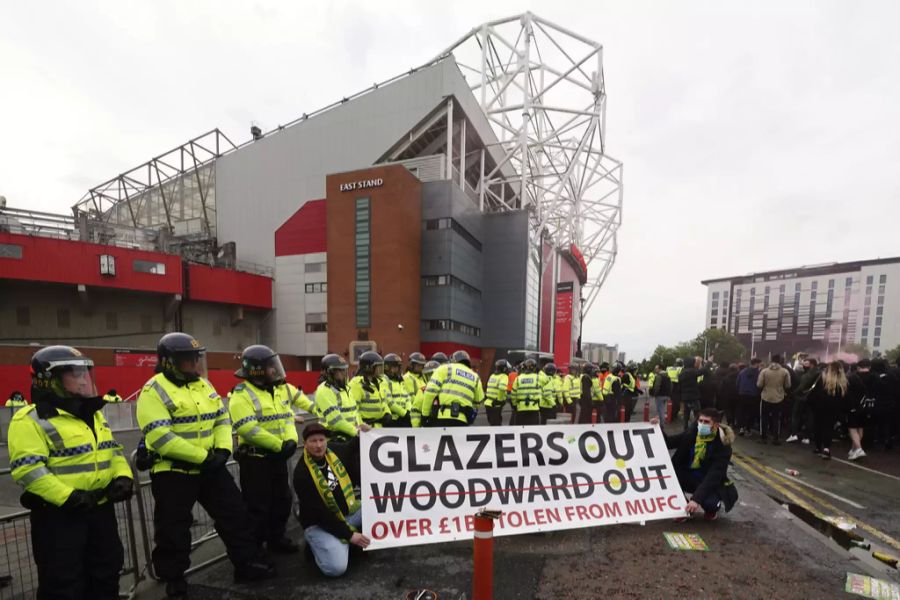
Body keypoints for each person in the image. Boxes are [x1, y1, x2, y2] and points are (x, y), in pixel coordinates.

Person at [136, 333, 274, 598]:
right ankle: (174, 579)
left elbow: (221, 419)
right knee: (173, 528)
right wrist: (204, 457)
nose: (196, 363)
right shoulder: (153, 391)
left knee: (236, 515)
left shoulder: (204, 385)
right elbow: (162, 438)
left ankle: (246, 564)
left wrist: (223, 449)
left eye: (196, 358)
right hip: (174, 471)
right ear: (169, 362)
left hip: (210, 467)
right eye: (189, 359)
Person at [9, 346, 133, 599]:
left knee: (107, 571)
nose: (84, 379)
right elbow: (29, 469)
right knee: (63, 583)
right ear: (50, 381)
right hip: (60, 517)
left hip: (99, 510)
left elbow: (113, 451)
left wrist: (123, 476)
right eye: (74, 374)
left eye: (85, 372)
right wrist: (69, 497)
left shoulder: (93, 415)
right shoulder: (29, 419)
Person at [228, 345, 301, 554]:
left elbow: (287, 417)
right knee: (258, 506)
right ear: (257, 370)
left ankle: (277, 538)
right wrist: (279, 445)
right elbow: (247, 428)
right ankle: (256, 549)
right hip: (256, 460)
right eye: (270, 366)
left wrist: (290, 440)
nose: (275, 370)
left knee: (282, 499)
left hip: (276, 458)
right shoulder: (241, 395)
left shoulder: (274, 391)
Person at [293, 423, 368, 577]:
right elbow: (321, 514)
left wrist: (363, 433)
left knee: (377, 507)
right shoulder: (302, 474)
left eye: (321, 440)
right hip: (320, 524)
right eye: (313, 441)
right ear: (305, 444)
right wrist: (349, 535)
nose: (318, 445)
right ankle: (316, 545)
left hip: (347, 514)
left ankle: (343, 542)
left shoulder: (333, 451)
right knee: (336, 568)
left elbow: (351, 446)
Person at [652, 408, 738, 520]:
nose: (702, 424)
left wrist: (696, 499)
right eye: (700, 421)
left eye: (706, 422)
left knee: (710, 504)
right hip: (688, 476)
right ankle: (682, 509)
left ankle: (710, 509)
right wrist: (658, 428)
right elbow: (669, 442)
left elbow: (714, 476)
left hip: (707, 481)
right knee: (665, 477)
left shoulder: (722, 446)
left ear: (716, 425)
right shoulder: (692, 433)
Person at [313, 354, 369, 449]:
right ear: (328, 373)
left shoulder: (346, 388)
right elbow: (336, 421)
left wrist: (360, 424)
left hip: (349, 438)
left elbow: (354, 411)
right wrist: (356, 431)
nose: (343, 373)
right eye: (339, 371)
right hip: (335, 440)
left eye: (344, 370)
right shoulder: (324, 391)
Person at [421, 351, 485, 427]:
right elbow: (478, 402)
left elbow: (430, 392)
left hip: (442, 417)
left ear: (453, 360)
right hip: (462, 420)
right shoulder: (475, 377)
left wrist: (425, 415)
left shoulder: (444, 368)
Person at [807, 361, 846, 459]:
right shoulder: (842, 382)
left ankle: (818, 446)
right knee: (828, 428)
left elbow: (814, 393)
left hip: (819, 407)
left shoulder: (822, 379)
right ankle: (827, 448)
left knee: (818, 426)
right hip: (834, 408)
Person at [349, 351, 392, 428]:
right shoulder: (356, 383)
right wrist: (360, 425)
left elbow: (383, 401)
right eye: (378, 367)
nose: (380, 370)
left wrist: (387, 412)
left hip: (378, 427)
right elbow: (353, 409)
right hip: (365, 429)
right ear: (368, 367)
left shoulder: (378, 382)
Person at [756, 354, 792, 445]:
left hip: (766, 397)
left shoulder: (764, 371)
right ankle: (776, 438)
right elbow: (788, 385)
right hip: (779, 397)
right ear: (780, 361)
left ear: (771, 360)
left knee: (764, 418)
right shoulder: (785, 371)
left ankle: (763, 437)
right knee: (776, 418)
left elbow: (759, 384)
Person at [786, 358, 819, 444]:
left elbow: (801, 387)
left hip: (802, 397)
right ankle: (807, 437)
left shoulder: (807, 375)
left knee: (795, 415)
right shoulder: (820, 373)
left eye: (806, 364)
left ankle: (794, 434)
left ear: (811, 364)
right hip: (813, 398)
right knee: (809, 417)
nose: (804, 366)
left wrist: (793, 393)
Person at [381, 353, 412, 427]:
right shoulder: (384, 380)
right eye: (394, 367)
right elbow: (389, 402)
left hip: (403, 418)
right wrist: (404, 413)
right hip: (392, 419)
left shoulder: (400, 380)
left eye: (398, 367)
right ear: (386, 367)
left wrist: (408, 410)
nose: (397, 369)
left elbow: (407, 397)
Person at [679, 356, 709, 427]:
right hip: (693, 397)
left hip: (685, 397)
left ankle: (685, 429)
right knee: (697, 414)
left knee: (686, 414)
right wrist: (709, 362)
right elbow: (703, 371)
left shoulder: (682, 372)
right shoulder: (691, 371)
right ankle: (696, 428)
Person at [511, 358, 542, 426]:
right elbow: (545, 388)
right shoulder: (538, 377)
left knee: (520, 430)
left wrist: (514, 405)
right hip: (534, 408)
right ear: (534, 368)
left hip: (521, 407)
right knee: (533, 430)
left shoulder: (518, 378)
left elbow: (513, 394)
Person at [736, 358, 762, 436]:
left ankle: (741, 428)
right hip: (753, 395)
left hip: (742, 394)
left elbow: (737, 383)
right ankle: (748, 429)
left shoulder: (742, 372)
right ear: (756, 364)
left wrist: (739, 391)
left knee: (742, 411)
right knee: (751, 413)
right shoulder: (758, 373)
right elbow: (760, 385)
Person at [410, 360, 440, 427]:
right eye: (428, 376)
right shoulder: (422, 391)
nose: (431, 378)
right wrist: (416, 429)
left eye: (433, 375)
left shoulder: (445, 390)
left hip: (444, 426)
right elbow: (415, 412)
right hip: (427, 426)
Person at [485, 360, 510, 426]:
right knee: (496, 426)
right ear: (504, 368)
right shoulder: (503, 376)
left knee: (491, 423)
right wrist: (499, 400)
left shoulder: (492, 376)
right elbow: (502, 388)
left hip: (488, 403)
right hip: (495, 404)